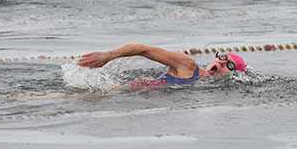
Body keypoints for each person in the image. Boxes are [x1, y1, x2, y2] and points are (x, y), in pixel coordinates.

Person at [77, 43, 246, 88]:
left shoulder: (204, 86)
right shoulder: (188, 66)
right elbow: (142, 49)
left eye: (230, 65)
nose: (222, 62)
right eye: (223, 57)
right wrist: (109, 55)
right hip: (119, 93)